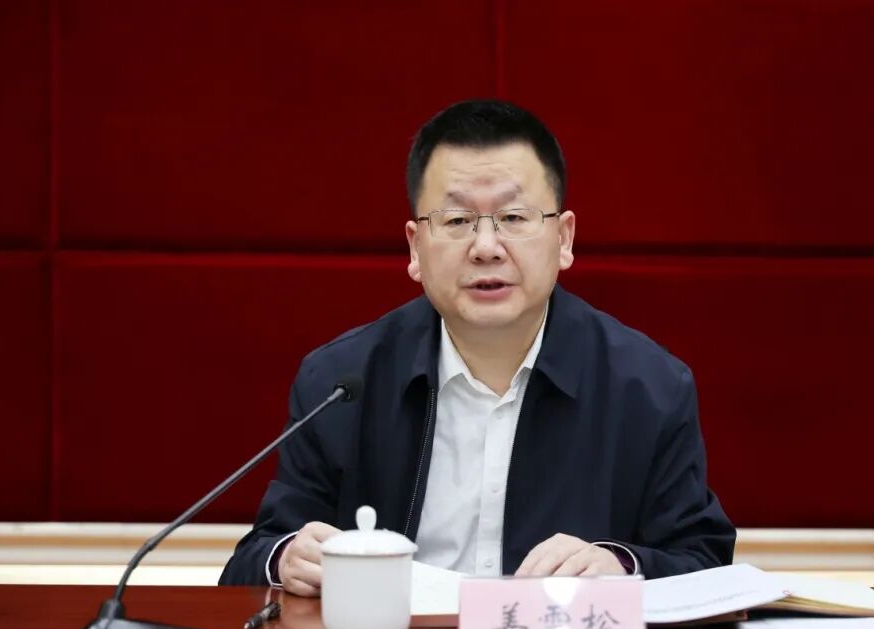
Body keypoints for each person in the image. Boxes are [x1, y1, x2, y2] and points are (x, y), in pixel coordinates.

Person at [220, 99, 734, 595]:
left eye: (514, 218)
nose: (486, 247)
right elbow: (254, 559)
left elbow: (704, 562)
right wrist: (286, 559)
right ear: (415, 248)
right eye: (456, 221)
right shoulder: (341, 382)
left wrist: (621, 567)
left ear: (564, 239)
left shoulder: (649, 388)